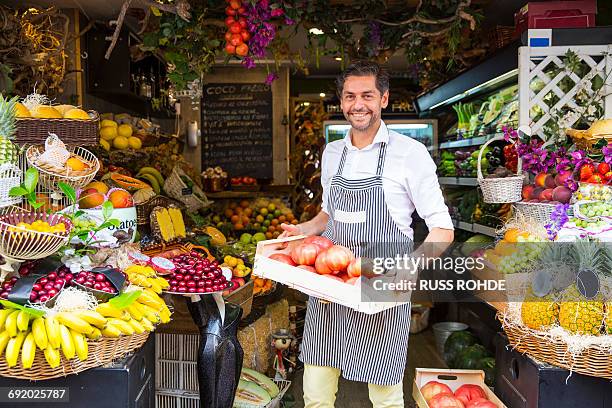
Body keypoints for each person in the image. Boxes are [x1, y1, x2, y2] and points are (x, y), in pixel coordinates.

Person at [280, 61, 454, 408]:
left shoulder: (410, 154)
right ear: (341, 102)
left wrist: (414, 264)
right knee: (314, 388)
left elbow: (443, 228)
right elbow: (328, 214)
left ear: (384, 99)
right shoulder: (332, 153)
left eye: (367, 95)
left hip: (383, 283)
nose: (358, 104)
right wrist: (302, 230)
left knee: (385, 393)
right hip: (330, 283)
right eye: (350, 96)